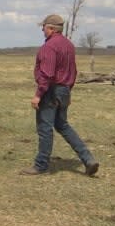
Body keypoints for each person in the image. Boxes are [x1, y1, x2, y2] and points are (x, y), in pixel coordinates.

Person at [21, 14, 99, 177]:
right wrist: (67, 92)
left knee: (45, 127)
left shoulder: (49, 47)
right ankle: (88, 159)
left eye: (43, 27)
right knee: (62, 125)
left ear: (51, 28)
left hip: (50, 90)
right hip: (64, 89)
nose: (42, 30)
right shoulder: (68, 45)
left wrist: (38, 95)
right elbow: (73, 71)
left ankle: (41, 165)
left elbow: (47, 74)